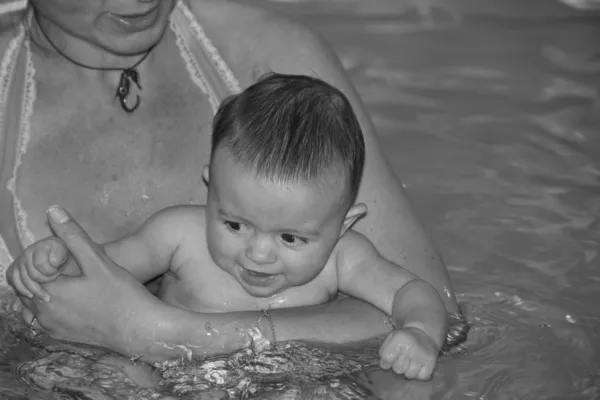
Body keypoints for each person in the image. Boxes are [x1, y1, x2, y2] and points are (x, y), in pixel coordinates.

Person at [0, 0, 464, 363]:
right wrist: (45, 272)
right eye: (236, 224)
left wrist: (161, 334)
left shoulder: (279, 65)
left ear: (345, 225)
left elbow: (439, 316)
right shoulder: (176, 232)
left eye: (290, 237)